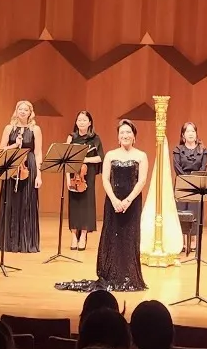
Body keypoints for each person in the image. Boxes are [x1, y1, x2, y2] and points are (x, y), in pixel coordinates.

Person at [56, 119, 149, 292]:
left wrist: (128, 201)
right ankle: (111, 273)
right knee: (111, 237)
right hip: (113, 202)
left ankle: (129, 274)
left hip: (132, 203)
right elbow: (105, 179)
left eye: (128, 132)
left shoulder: (141, 156)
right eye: (122, 133)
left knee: (130, 238)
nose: (125, 135)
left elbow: (142, 180)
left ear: (134, 136)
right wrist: (114, 200)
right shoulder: (111, 155)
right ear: (118, 137)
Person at [0, 100, 43, 253]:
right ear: (16, 111)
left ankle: (26, 243)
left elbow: (38, 152)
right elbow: (1, 149)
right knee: (11, 202)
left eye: (25, 110)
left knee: (27, 202)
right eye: (20, 109)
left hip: (30, 167)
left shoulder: (35, 129)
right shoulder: (9, 128)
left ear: (30, 112)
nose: (22, 112)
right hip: (12, 167)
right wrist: (15, 145)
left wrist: (39, 175)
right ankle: (8, 242)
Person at [66, 111, 105, 251]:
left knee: (87, 204)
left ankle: (83, 235)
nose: (81, 122)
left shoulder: (95, 138)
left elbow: (100, 157)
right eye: (79, 120)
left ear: (89, 123)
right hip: (73, 174)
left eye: (84, 120)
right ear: (76, 122)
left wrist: (85, 159)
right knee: (74, 204)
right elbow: (66, 158)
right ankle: (73, 235)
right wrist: (67, 179)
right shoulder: (71, 137)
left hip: (87, 174)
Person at [173, 122, 207, 252]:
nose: (190, 133)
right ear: (183, 135)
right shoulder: (178, 149)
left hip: (197, 183)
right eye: (188, 131)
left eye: (193, 131)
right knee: (181, 211)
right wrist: (187, 180)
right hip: (182, 183)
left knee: (195, 211)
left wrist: (194, 180)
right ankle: (182, 241)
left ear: (196, 134)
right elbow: (177, 167)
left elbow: (204, 167)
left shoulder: (203, 150)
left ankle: (193, 241)